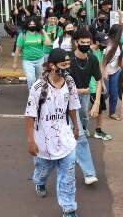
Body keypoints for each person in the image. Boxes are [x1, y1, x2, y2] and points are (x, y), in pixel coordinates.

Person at [25, 48, 81, 217]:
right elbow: (29, 115)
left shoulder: (69, 82)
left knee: (68, 176)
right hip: (44, 142)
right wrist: (30, 141)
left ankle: (69, 209)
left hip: (65, 139)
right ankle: (39, 182)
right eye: (63, 65)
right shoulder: (38, 87)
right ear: (51, 65)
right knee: (43, 171)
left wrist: (76, 127)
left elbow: (72, 106)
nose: (66, 68)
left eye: (68, 64)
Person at [68, 29, 100, 185]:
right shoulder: (68, 60)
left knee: (84, 123)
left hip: (85, 98)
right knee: (80, 136)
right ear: (76, 42)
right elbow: (61, 84)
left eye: (89, 43)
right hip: (69, 100)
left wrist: (97, 103)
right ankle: (89, 173)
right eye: (83, 43)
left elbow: (99, 81)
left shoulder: (92, 59)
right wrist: (80, 90)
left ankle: (73, 152)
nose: (86, 45)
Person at [13, 16, 52, 90]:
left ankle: (38, 94)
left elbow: (49, 43)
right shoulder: (23, 35)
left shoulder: (40, 34)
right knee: (31, 79)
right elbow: (17, 50)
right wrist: (15, 63)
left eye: (34, 24)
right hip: (27, 61)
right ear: (27, 25)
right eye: (30, 24)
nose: (32, 26)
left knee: (39, 79)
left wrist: (43, 31)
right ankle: (32, 94)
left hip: (39, 59)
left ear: (37, 25)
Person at [89, 32, 112, 140]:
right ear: (97, 42)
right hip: (88, 87)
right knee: (86, 111)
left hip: (96, 85)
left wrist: (102, 84)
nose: (105, 45)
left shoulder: (100, 51)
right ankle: (81, 129)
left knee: (100, 109)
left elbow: (100, 68)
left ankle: (98, 130)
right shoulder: (88, 51)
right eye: (103, 43)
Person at [102, 25, 123, 120]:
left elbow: (120, 57)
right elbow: (103, 61)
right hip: (106, 72)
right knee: (105, 93)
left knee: (114, 93)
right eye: (122, 32)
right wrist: (104, 72)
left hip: (116, 71)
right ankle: (97, 104)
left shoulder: (119, 44)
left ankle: (112, 112)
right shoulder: (107, 45)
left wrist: (122, 66)